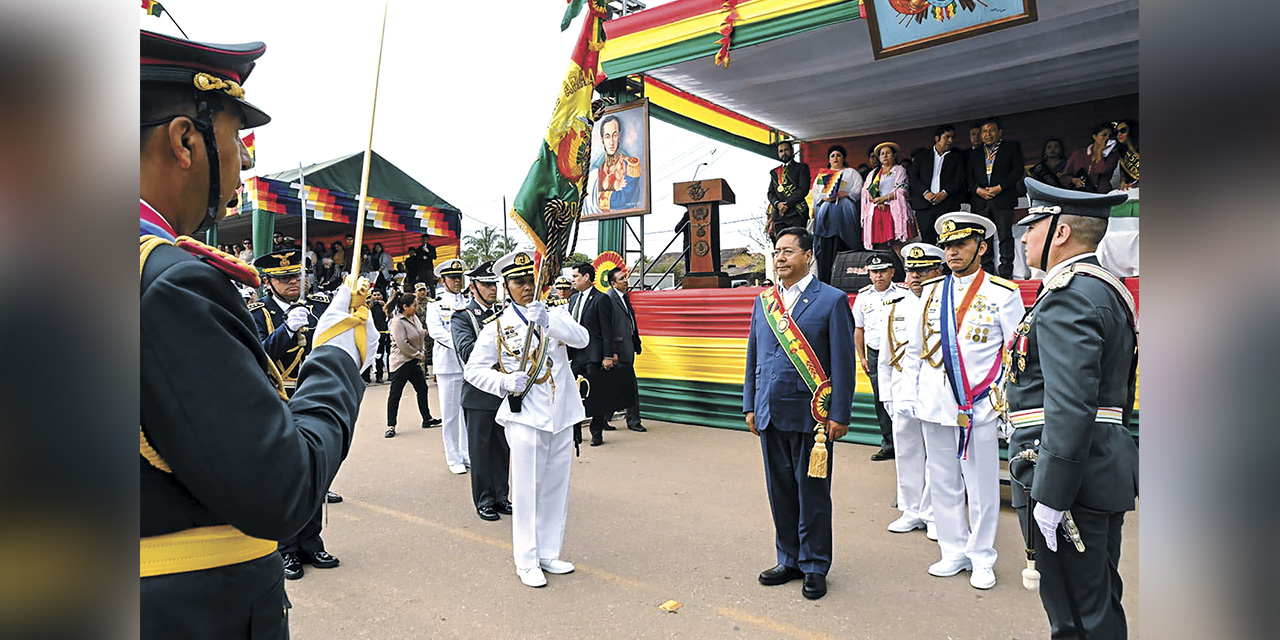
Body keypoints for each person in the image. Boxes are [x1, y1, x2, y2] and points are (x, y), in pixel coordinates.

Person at [140, 29, 374, 639]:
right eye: (234, 138)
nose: (244, 167)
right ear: (185, 140)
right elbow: (283, 487)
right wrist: (336, 358)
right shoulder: (167, 285)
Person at [1007, 178, 1138, 638]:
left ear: (1060, 232)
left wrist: (1052, 494)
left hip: (1070, 479)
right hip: (1097, 468)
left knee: (1075, 615)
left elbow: (1071, 407)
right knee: (1096, 601)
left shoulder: (1067, 296)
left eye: (1033, 225)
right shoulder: (1102, 289)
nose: (1023, 237)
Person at [900, 212, 1024, 591]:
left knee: (982, 483)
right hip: (936, 402)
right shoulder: (932, 291)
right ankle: (953, 549)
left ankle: (982, 554)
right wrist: (909, 393)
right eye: (948, 246)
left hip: (979, 404)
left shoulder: (1004, 293)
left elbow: (1016, 354)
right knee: (941, 479)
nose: (952, 252)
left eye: (961, 244)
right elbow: (916, 351)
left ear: (981, 247)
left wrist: (1004, 405)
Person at [463, 249, 590, 588]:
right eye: (518, 282)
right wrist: (503, 382)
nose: (525, 287)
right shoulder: (498, 327)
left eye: (529, 281)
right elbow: (473, 370)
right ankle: (526, 558)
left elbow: (583, 339)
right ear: (505, 286)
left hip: (561, 412)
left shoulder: (554, 313)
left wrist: (552, 321)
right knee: (527, 490)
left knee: (555, 488)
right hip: (525, 417)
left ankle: (549, 551)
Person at [744, 227, 856, 601]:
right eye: (776, 252)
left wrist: (839, 413)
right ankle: (788, 558)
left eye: (788, 251)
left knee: (813, 494)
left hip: (813, 419)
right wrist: (750, 404)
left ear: (808, 256)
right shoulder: (764, 302)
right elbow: (754, 357)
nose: (779, 258)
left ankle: (814, 564)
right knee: (781, 492)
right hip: (771, 413)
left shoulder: (832, 300)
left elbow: (843, 362)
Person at [247, 248, 351, 577]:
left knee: (314, 468)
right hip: (277, 398)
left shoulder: (316, 308)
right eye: (284, 278)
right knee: (284, 476)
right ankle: (286, 549)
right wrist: (286, 331)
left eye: (296, 276)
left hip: (312, 393)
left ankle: (311, 542)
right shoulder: (256, 313)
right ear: (268, 282)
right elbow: (257, 357)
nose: (293, 282)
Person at [877, 242, 946, 541]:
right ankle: (911, 509)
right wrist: (887, 396)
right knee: (906, 451)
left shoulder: (948, 305)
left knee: (937, 455)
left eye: (922, 270)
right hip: (903, 390)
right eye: (911, 270)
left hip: (937, 390)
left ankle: (933, 513)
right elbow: (885, 358)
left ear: (938, 271)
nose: (915, 276)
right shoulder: (895, 307)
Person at [451, 261, 512, 521]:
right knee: (480, 450)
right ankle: (484, 499)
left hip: (505, 392)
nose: (492, 289)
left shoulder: (507, 313)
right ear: (473, 287)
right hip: (478, 394)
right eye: (486, 285)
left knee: (503, 449)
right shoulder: (462, 317)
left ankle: (501, 496)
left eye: (494, 284)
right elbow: (467, 353)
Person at [852, 254, 907, 461]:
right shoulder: (863, 296)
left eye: (883, 271)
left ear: (892, 272)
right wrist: (862, 357)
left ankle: (908, 443)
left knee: (904, 395)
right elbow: (859, 329)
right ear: (869, 274)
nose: (879, 276)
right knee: (881, 398)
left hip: (901, 353)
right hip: (875, 353)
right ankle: (889, 444)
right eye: (874, 272)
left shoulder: (905, 292)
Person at [427, 258, 471, 473]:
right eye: (453, 278)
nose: (457, 281)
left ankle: (465, 452)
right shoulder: (434, 305)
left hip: (469, 365)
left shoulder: (469, 302)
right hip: (449, 364)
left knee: (467, 411)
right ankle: (453, 457)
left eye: (459, 277)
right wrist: (463, 345)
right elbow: (437, 332)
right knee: (451, 413)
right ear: (443, 280)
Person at [966, 116, 1024, 279]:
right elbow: (968, 177)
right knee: (984, 237)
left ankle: (1006, 271)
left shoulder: (1011, 147)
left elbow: (1017, 171)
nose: (987, 134)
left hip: (1002, 198)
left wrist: (1000, 188)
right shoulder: (975, 153)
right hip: (981, 200)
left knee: (1005, 235)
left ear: (1000, 132)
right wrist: (978, 190)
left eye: (991, 130)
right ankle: (987, 271)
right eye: (984, 131)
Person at [566, 262, 615, 446]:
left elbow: (606, 329)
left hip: (594, 355)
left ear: (586, 277)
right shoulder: (573, 299)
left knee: (594, 395)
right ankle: (576, 433)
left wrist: (608, 355)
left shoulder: (601, 299)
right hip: (575, 355)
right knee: (574, 395)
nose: (573, 280)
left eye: (575, 276)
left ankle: (596, 432)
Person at [384, 293, 439, 438]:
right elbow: (403, 345)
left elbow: (420, 333)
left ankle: (427, 418)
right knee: (395, 394)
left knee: (422, 389)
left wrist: (423, 338)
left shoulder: (414, 318)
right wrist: (418, 354)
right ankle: (391, 425)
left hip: (414, 361)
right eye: (414, 305)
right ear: (405, 307)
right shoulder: (398, 322)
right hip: (401, 362)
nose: (416, 307)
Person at [810, 144, 863, 284]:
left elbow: (858, 191)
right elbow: (816, 194)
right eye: (832, 156)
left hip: (845, 213)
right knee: (826, 248)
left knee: (845, 245)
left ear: (843, 158)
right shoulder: (823, 175)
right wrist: (825, 197)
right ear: (829, 159)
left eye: (838, 155)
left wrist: (845, 194)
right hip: (826, 216)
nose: (835, 158)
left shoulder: (851, 173)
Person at [908, 125, 967, 245]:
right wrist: (926, 193)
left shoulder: (958, 157)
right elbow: (913, 179)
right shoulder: (922, 156)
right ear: (937, 138)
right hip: (925, 206)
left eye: (952, 137)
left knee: (949, 239)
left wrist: (944, 193)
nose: (950, 141)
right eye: (947, 137)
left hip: (947, 204)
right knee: (927, 240)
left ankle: (947, 264)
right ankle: (931, 264)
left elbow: (959, 179)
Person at [605, 267, 644, 433]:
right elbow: (608, 328)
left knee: (617, 387)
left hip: (628, 348)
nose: (626, 281)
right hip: (618, 351)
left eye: (625, 278)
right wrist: (612, 351)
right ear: (613, 283)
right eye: (621, 279)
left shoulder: (624, 297)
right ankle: (633, 420)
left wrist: (636, 341)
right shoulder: (609, 299)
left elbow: (630, 322)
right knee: (628, 386)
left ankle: (603, 417)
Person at [861, 142, 915, 256]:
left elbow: (902, 189)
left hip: (893, 210)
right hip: (877, 211)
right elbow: (865, 191)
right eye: (882, 154)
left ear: (894, 155)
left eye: (888, 153)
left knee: (896, 244)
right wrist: (876, 199)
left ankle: (901, 272)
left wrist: (884, 198)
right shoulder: (873, 174)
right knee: (881, 246)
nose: (885, 156)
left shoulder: (899, 170)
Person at [765, 140, 812, 241]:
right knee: (780, 244)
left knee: (796, 243)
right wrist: (777, 204)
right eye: (781, 151)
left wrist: (787, 204)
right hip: (779, 215)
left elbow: (803, 189)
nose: (784, 153)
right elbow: (770, 193)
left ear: (792, 151)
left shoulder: (801, 168)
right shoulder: (774, 172)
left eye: (786, 150)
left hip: (796, 212)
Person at [1063, 122, 1119, 194]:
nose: (1107, 138)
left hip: (1101, 194)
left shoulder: (1112, 156)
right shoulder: (1079, 154)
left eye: (1110, 136)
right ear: (1095, 137)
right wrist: (1074, 180)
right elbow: (1064, 177)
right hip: (1079, 194)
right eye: (1104, 135)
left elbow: (1100, 170)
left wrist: (1099, 152)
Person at [366, 288, 390, 384]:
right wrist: (369, 307)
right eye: (374, 295)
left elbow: (390, 316)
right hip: (370, 334)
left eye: (378, 295)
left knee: (380, 355)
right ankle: (366, 377)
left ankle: (379, 376)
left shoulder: (384, 306)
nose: (376, 297)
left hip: (382, 333)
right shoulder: (367, 307)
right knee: (368, 355)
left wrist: (385, 307)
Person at [1112, 119, 1139, 190]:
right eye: (1116, 132)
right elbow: (1123, 175)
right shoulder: (1122, 152)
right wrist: (1123, 182)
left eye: (1123, 131)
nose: (1119, 134)